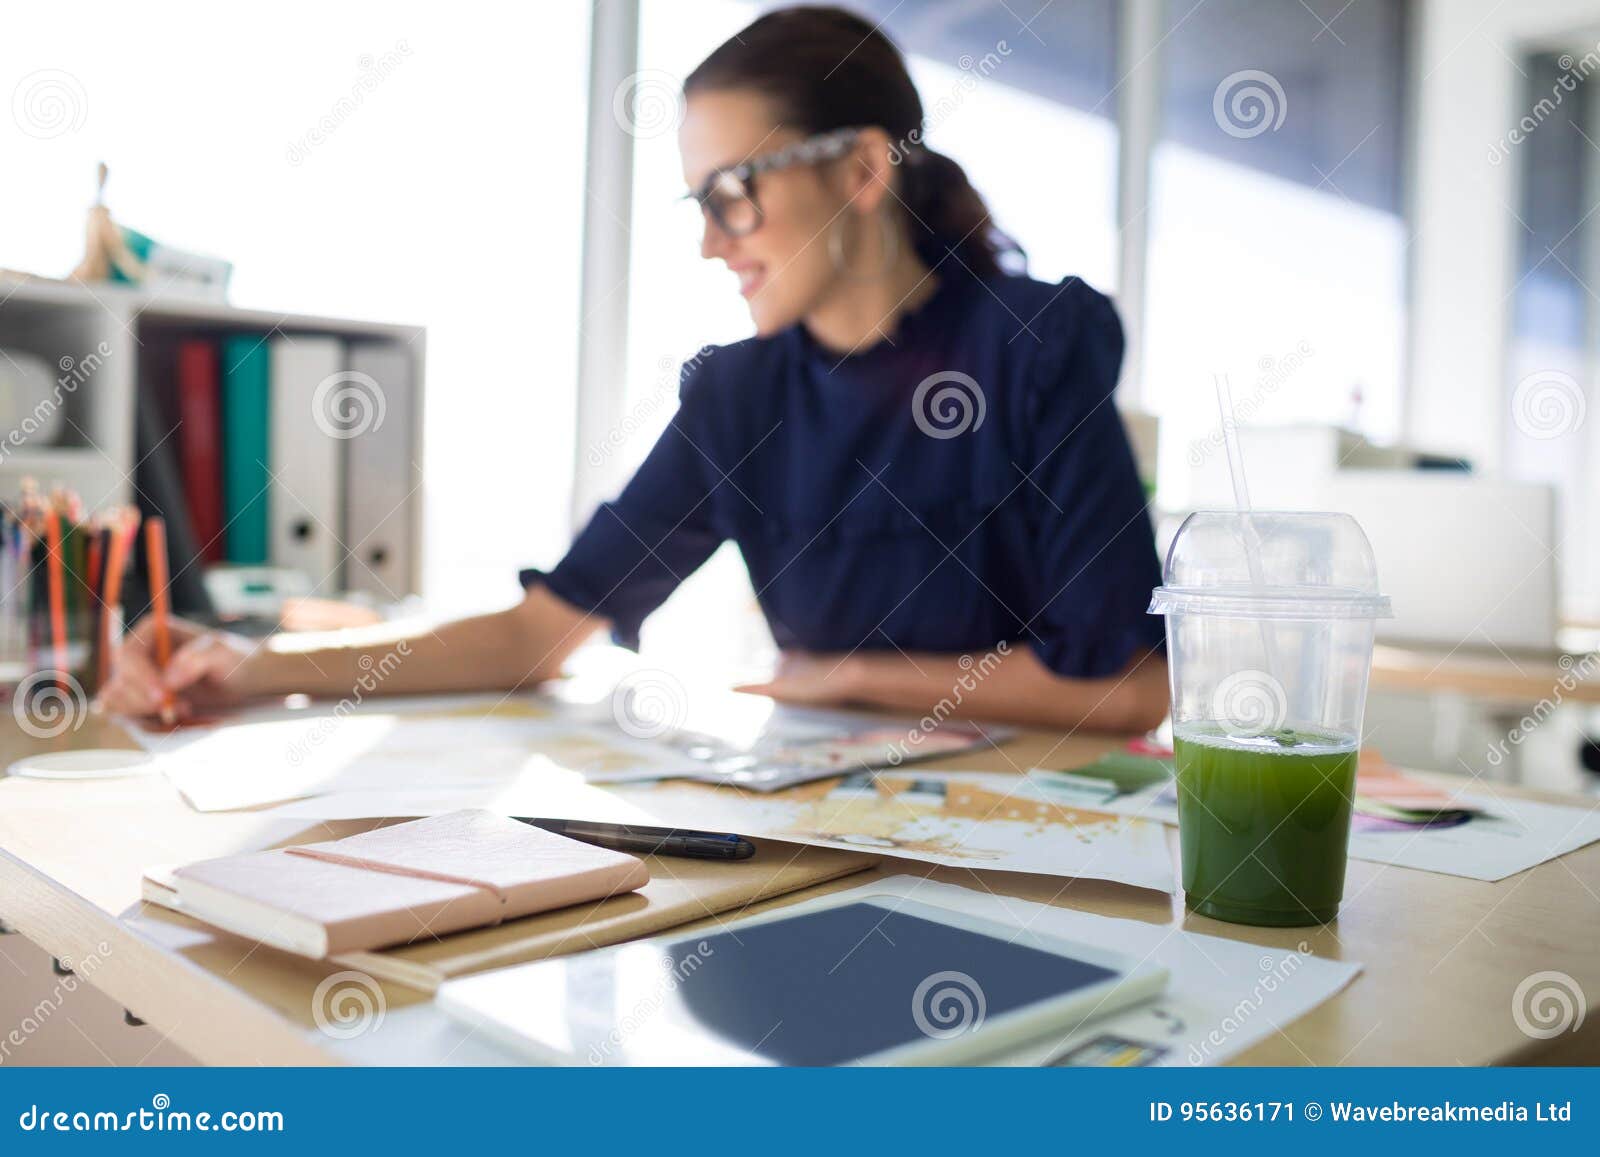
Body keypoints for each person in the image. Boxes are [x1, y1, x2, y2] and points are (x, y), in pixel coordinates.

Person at [100, 5, 1168, 732]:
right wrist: (255, 667)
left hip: (1032, 838)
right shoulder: (739, 398)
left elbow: (1125, 684)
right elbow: (536, 631)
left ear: (860, 166)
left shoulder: (1031, 346)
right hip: (845, 834)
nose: (712, 241)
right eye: (695, 202)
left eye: (731, 192)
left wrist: (848, 678)